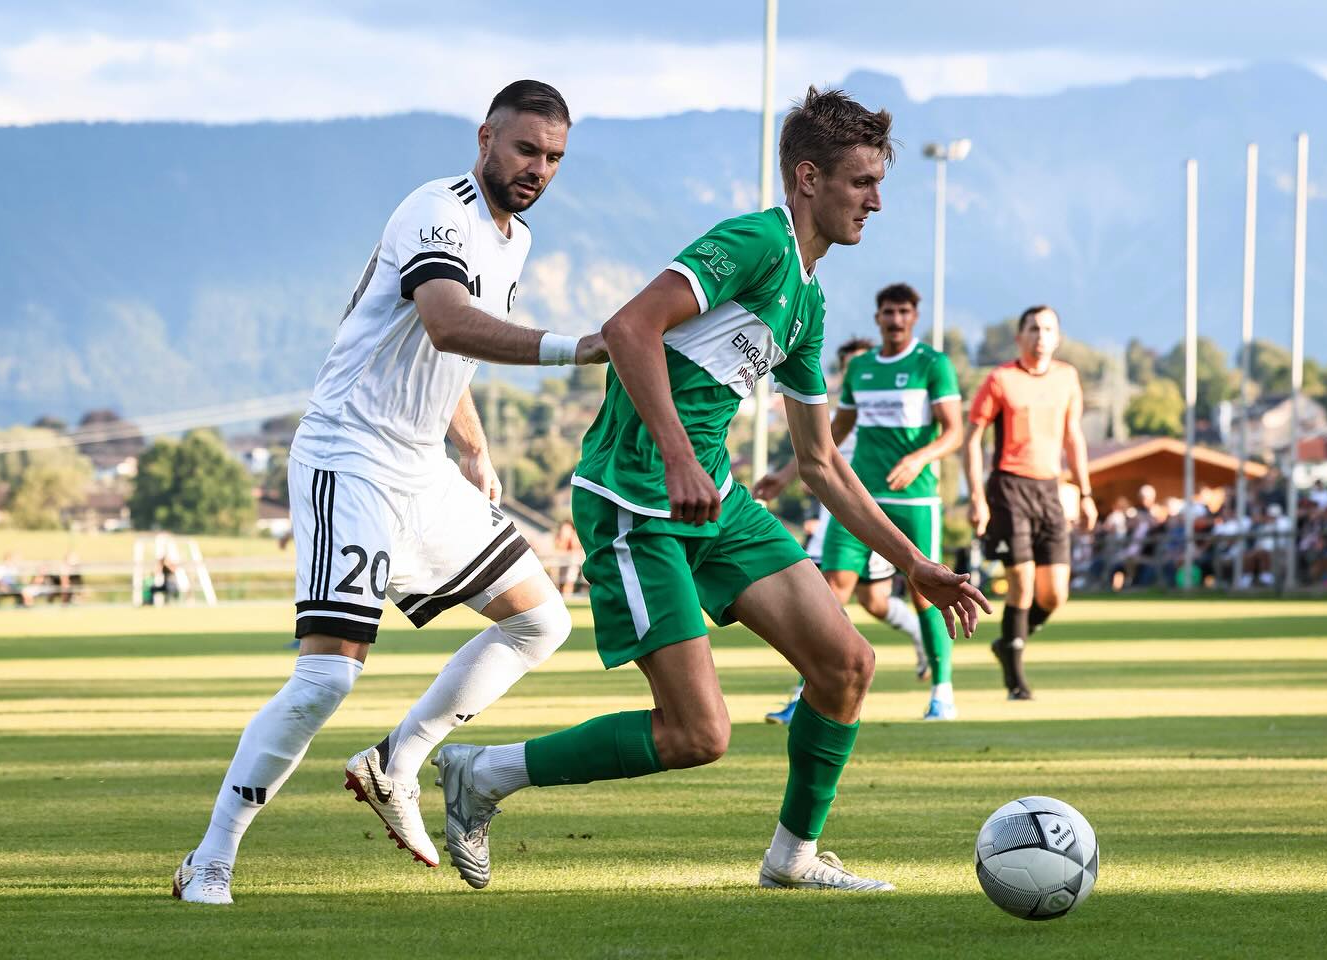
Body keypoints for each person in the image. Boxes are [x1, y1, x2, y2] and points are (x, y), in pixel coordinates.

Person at [434, 87, 989, 895]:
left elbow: (822, 463)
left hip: (713, 501)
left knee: (847, 665)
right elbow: (629, 328)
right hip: (634, 499)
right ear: (808, 178)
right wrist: (677, 455)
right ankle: (483, 774)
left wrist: (912, 563)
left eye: (878, 180)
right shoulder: (755, 241)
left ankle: (793, 856)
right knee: (698, 734)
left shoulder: (808, 298)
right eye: (862, 180)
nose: (877, 199)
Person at [174, 80, 608, 906]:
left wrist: (473, 453)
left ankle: (395, 761)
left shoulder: (514, 240)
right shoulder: (435, 211)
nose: (539, 169)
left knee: (540, 618)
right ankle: (211, 858)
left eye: (553, 157)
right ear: (485, 137)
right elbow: (447, 321)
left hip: (421, 467)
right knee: (326, 681)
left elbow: (445, 363)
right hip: (350, 455)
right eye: (525, 149)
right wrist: (579, 348)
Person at [754, 281, 962, 721]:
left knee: (926, 593)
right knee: (831, 594)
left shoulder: (932, 364)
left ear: (914, 317)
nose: (896, 320)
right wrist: (785, 476)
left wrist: (919, 458)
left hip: (916, 501)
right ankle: (805, 695)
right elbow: (833, 436)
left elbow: (953, 432)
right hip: (861, 500)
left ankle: (942, 692)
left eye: (904, 312)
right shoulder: (862, 368)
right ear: (878, 317)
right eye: (888, 312)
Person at [964, 305, 1096, 700]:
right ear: (1020, 336)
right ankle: (1016, 683)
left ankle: (1009, 641)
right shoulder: (1000, 379)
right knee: (1021, 582)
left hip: (1050, 490)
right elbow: (973, 440)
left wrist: (1086, 493)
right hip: (1008, 489)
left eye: (1048, 329)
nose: (1041, 335)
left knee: (1054, 594)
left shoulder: (1068, 377)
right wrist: (976, 497)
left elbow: (1074, 437)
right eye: (1033, 328)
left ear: (1057, 337)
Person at [552, 519, 583, 598]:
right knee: (558, 580)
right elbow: (558, 548)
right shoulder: (559, 537)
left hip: (572, 561)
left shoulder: (574, 536)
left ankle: (567, 597)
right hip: (561, 561)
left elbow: (576, 549)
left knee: (569, 581)